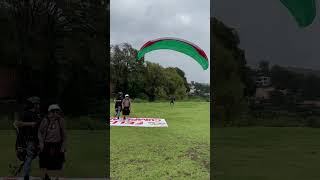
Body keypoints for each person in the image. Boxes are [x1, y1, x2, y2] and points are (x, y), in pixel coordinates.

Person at [13, 96, 42, 180]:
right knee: (30, 157)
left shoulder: (36, 114)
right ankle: (26, 175)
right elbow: (16, 123)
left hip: (35, 139)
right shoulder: (26, 113)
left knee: (32, 157)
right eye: (37, 104)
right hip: (29, 139)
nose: (38, 106)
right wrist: (31, 124)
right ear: (33, 105)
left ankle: (26, 173)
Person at [38, 104, 67, 180]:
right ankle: (44, 177)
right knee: (43, 161)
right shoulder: (45, 120)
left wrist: (63, 146)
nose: (57, 114)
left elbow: (64, 134)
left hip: (58, 143)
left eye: (58, 112)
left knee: (59, 161)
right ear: (50, 112)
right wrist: (41, 143)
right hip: (46, 143)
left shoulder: (61, 120)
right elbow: (39, 132)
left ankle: (57, 177)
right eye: (55, 112)